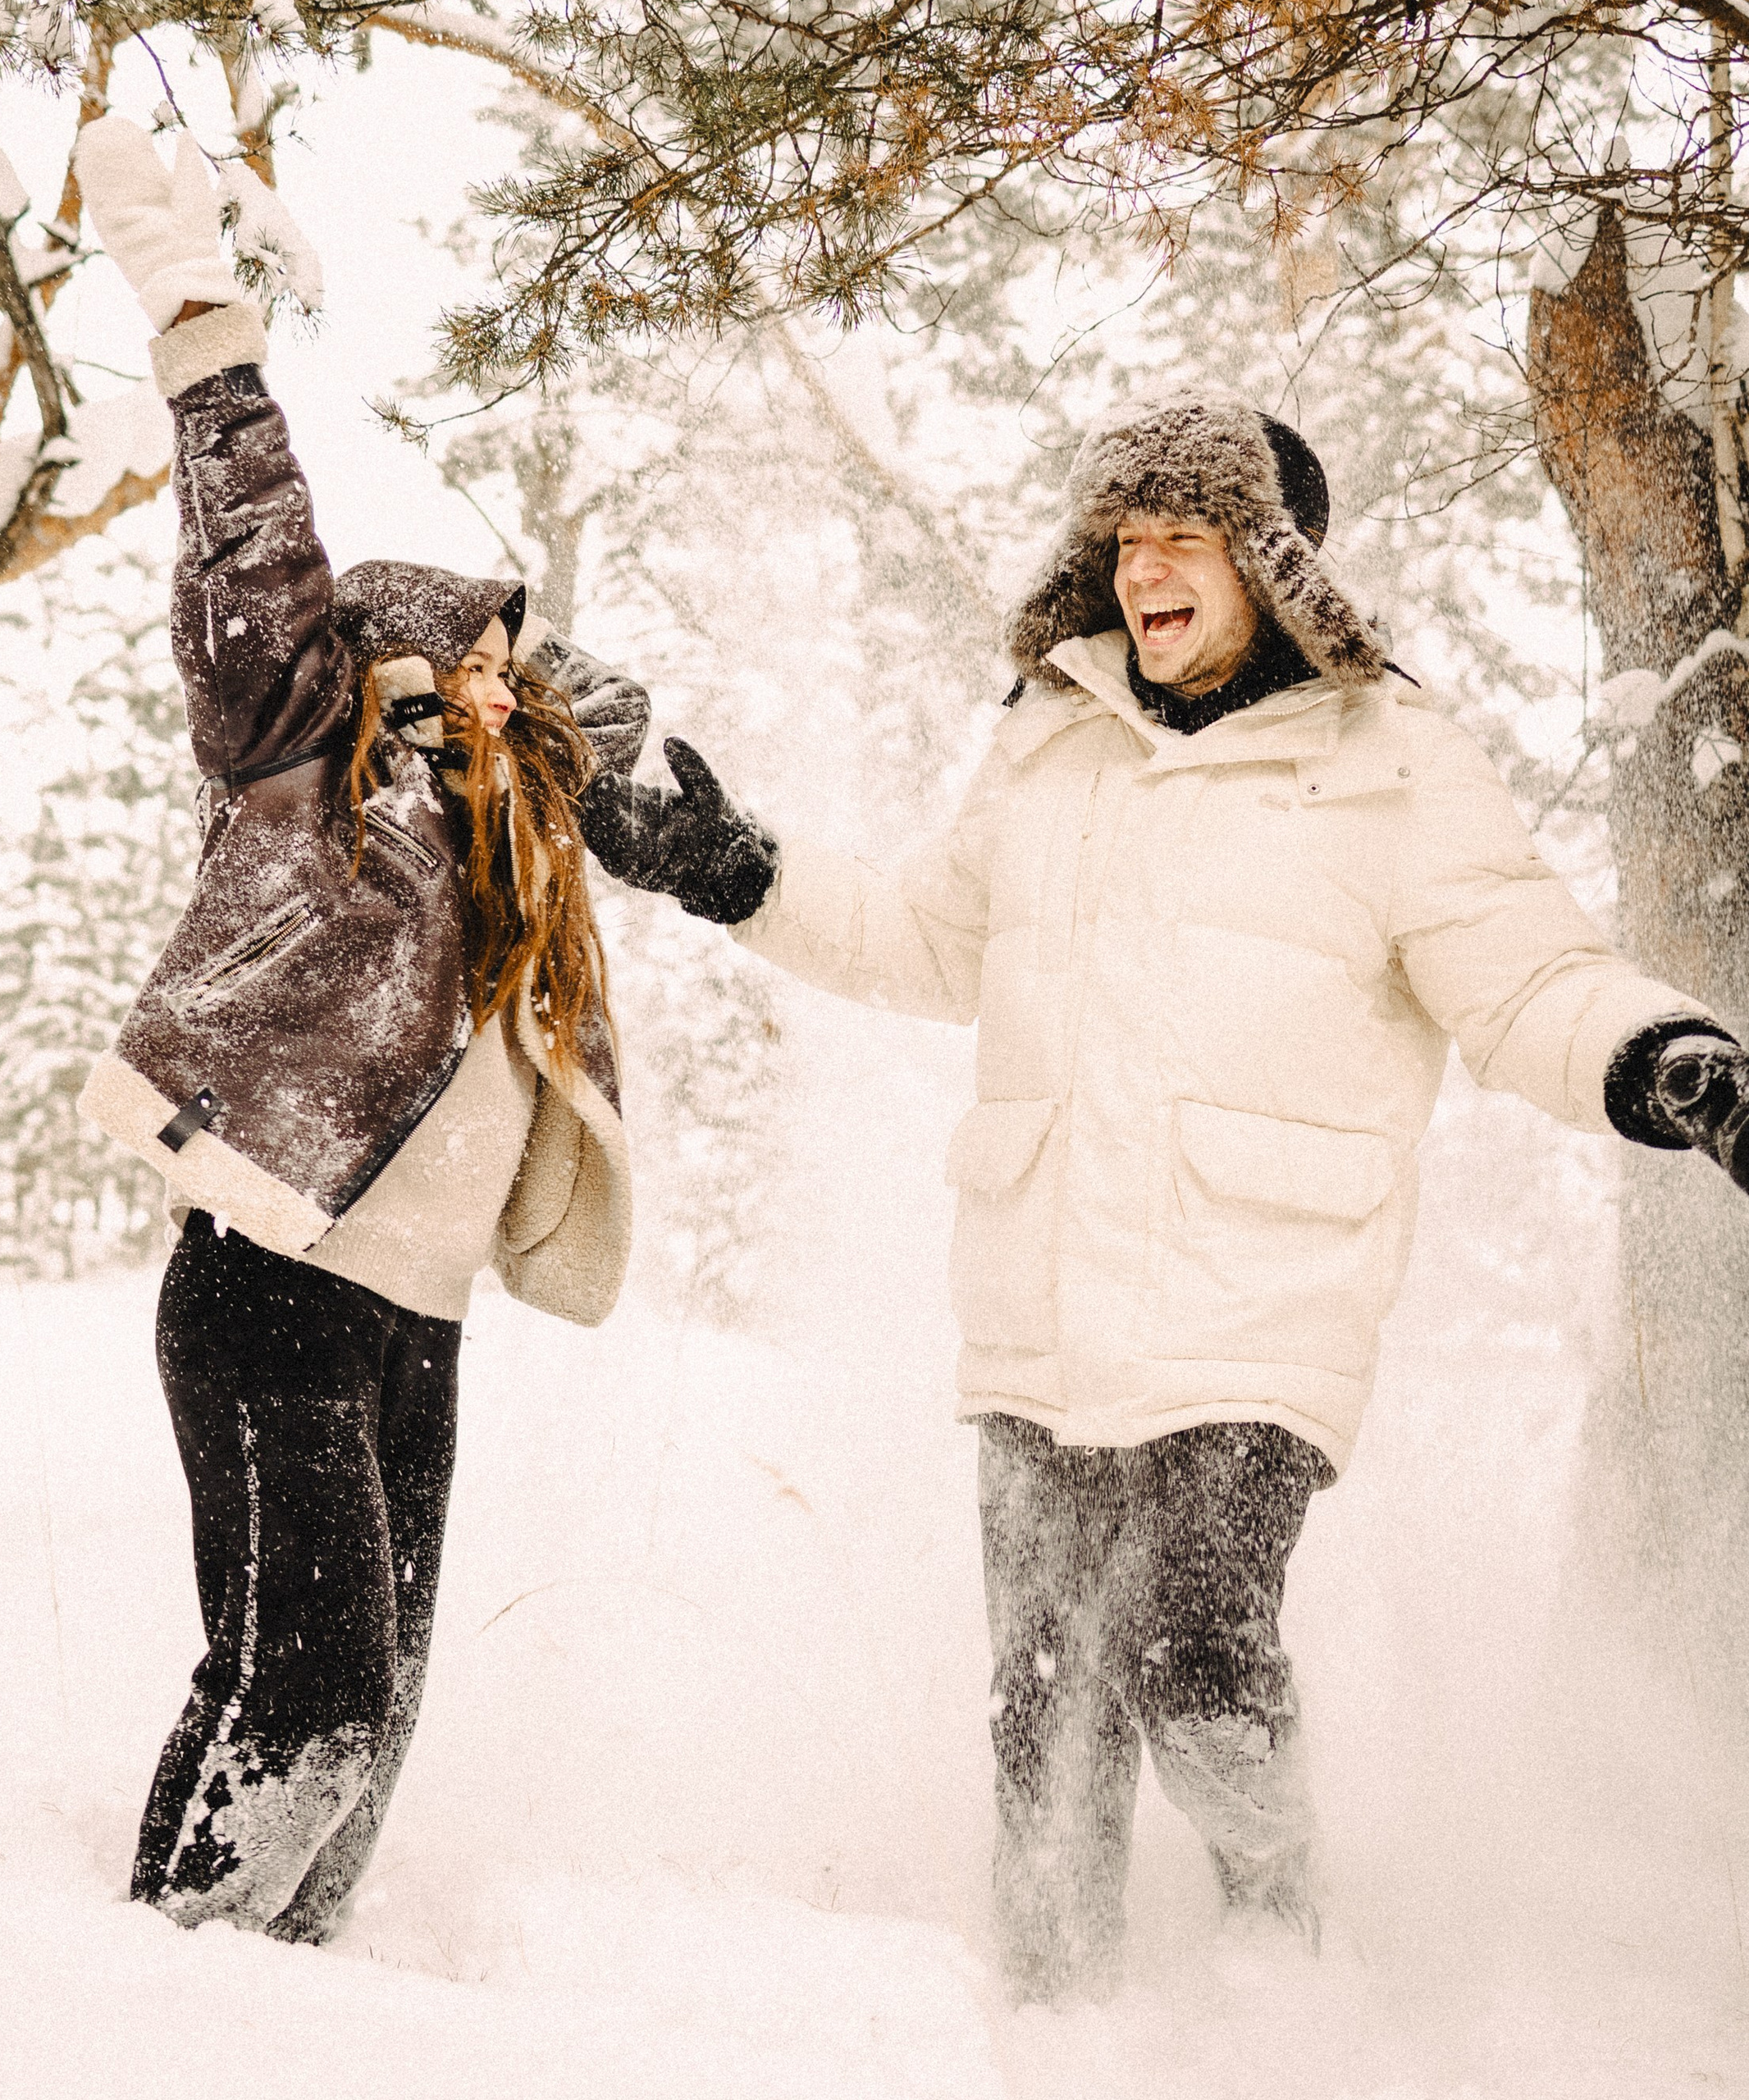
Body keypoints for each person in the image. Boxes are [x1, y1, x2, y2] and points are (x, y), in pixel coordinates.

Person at [582, 390, 1749, 2002]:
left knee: (1194, 1659)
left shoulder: (1389, 760)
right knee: (1043, 1712)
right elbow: (930, 936)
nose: (1142, 571)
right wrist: (730, 867)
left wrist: (1658, 1053)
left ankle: (1276, 1927)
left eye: (1180, 535)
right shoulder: (1047, 738)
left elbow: (1521, 968)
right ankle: (1054, 2025)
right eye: (1123, 540)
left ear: (1267, 560)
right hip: (1041, 1293)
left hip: (1255, 1301)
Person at [70, 117, 647, 1942]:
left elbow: (601, 732)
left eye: (514, 659)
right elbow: (254, 553)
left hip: (418, 1316)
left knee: (351, 1708)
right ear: (385, 670)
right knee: (307, 1691)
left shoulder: (513, 845)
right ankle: (180, 1988)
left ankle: (243, 1979)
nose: (503, 681)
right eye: (471, 653)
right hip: (270, 1280)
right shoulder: (302, 765)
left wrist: (562, 712)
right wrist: (196, 322)